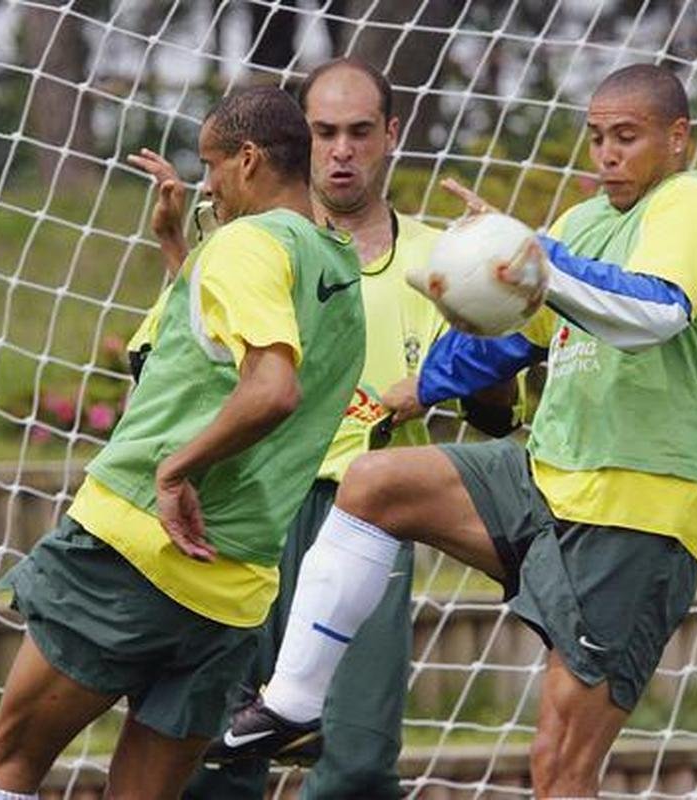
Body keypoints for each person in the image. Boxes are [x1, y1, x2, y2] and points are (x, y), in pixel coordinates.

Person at [223, 63, 697, 798]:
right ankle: (296, 700)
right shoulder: (584, 220)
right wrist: (426, 378)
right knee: (374, 484)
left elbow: (655, 311)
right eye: (597, 138)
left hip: (637, 509)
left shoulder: (695, 203)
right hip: (548, 479)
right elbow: (520, 331)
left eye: (627, 138)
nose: (607, 155)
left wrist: (531, 257)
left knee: (560, 764)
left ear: (678, 138)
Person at [0, 86, 366, 800]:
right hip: (231, 592)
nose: (207, 185)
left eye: (212, 165)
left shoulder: (245, 245)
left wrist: (173, 472)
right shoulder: (335, 264)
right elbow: (210, 355)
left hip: (133, 549)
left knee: (7, 766)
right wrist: (175, 249)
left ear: (249, 160)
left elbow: (269, 387)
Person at [172, 59, 514, 800]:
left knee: (355, 765)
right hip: (252, 506)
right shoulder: (255, 248)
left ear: (391, 134)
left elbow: (493, 415)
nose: (342, 150)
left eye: (360, 131)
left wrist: (499, 297)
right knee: (214, 759)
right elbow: (189, 372)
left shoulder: (440, 257)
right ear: (300, 140)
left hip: (365, 519)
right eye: (324, 132)